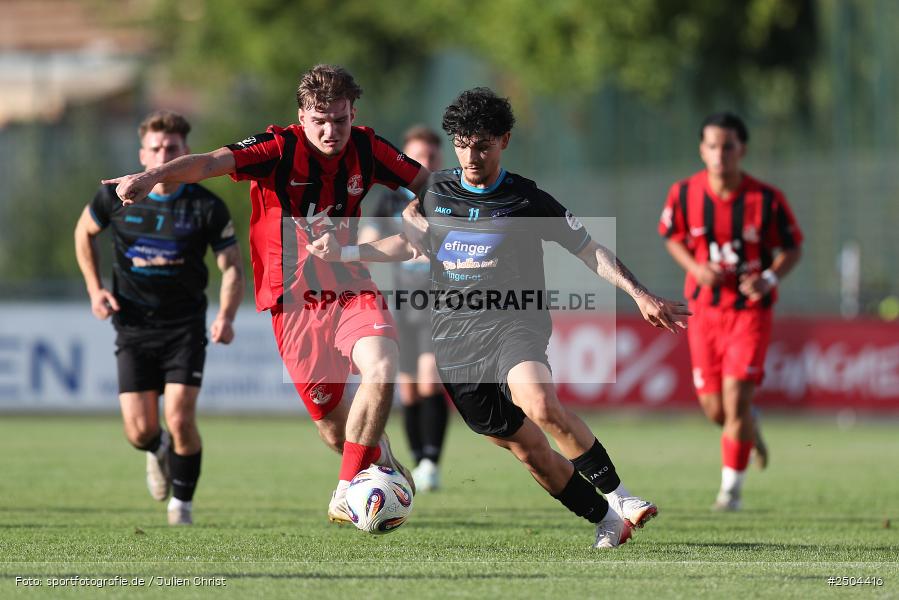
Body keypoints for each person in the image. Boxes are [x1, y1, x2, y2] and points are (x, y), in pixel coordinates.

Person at [308, 88, 691, 548]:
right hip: (453, 341)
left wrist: (640, 293)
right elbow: (408, 245)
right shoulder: (434, 192)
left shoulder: (526, 199)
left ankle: (621, 496)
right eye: (463, 144)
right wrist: (348, 250)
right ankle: (606, 520)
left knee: (539, 403)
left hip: (516, 324)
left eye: (483, 145)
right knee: (530, 452)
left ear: (504, 140)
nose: (472, 155)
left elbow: (589, 249)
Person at [102, 65, 431, 523]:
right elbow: (209, 162)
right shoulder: (279, 147)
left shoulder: (368, 147)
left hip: (350, 283)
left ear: (353, 112)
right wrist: (152, 176)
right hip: (291, 301)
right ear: (301, 115)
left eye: (340, 119)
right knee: (334, 431)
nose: (331, 130)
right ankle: (378, 457)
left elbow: (428, 185)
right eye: (320, 120)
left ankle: (344, 490)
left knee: (382, 363)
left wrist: (419, 206)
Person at [74, 110, 245, 525]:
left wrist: (226, 315)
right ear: (142, 153)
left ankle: (181, 506)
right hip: (132, 325)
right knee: (139, 432)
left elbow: (232, 267)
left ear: (185, 152)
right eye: (156, 148)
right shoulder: (116, 197)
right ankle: (157, 450)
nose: (163, 154)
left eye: (172, 148)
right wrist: (96, 290)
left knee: (181, 417)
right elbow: (83, 234)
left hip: (184, 326)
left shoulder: (206, 206)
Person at [658, 112, 803, 511]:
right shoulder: (685, 193)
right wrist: (695, 268)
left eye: (728, 146)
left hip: (750, 314)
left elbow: (792, 248)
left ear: (742, 149)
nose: (720, 154)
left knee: (736, 399)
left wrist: (769, 279)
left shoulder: (766, 200)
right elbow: (671, 236)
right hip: (703, 313)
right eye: (712, 146)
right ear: (702, 150)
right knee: (715, 409)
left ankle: (730, 492)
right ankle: (749, 430)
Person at [358, 125, 447, 492]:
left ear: (438, 160)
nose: (422, 163)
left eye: (428, 156)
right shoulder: (391, 198)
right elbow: (368, 235)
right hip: (401, 301)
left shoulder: (448, 197)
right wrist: (364, 247)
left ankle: (431, 461)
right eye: (415, 157)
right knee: (407, 389)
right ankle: (418, 459)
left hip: (439, 302)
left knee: (430, 378)